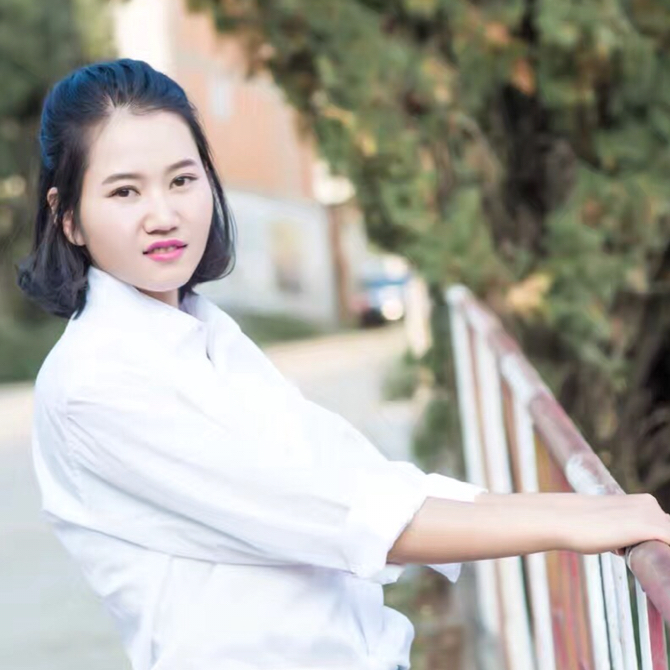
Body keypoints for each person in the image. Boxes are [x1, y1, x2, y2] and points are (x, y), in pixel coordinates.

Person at [16, 58, 670, 670]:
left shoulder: (206, 333)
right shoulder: (93, 385)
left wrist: (593, 511)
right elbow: (340, 512)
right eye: (124, 191)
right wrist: (576, 521)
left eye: (182, 180)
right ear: (67, 216)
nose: (163, 214)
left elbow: (363, 478)